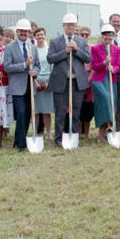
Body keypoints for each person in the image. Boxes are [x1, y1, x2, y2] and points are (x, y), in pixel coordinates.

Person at [47, 14, 92, 147]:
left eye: (73, 25)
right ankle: (59, 139)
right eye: (68, 25)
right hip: (61, 81)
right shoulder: (55, 42)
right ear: (63, 26)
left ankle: (73, 137)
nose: (71, 27)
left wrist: (77, 50)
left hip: (77, 82)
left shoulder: (82, 42)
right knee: (60, 112)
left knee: (76, 111)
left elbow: (88, 59)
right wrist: (65, 51)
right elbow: (50, 58)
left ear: (76, 26)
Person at [2, 19, 40, 153]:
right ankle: (22, 144)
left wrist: (35, 72)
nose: (23, 33)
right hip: (17, 87)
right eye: (21, 31)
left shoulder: (33, 48)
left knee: (28, 114)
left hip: (30, 86)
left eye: (26, 31)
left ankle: (18, 140)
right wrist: (24, 65)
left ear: (30, 32)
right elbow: (7, 67)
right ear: (17, 32)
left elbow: (38, 66)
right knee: (21, 113)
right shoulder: (9, 48)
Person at [91, 24, 120, 143]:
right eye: (106, 35)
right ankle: (110, 125)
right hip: (99, 80)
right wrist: (104, 63)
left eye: (110, 35)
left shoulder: (117, 49)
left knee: (105, 106)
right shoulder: (95, 48)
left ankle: (101, 135)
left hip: (111, 80)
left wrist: (113, 69)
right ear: (102, 36)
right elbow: (94, 65)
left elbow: (119, 65)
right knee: (106, 99)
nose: (108, 37)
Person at [33, 27, 55, 142]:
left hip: (48, 79)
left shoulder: (49, 49)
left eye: (42, 35)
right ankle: (36, 132)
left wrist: (49, 82)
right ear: (34, 37)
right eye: (38, 35)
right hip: (36, 79)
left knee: (47, 110)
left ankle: (48, 133)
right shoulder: (33, 50)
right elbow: (31, 67)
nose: (40, 37)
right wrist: (35, 81)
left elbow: (53, 66)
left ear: (45, 35)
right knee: (36, 110)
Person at [77, 26, 95, 137]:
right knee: (79, 107)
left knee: (89, 107)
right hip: (79, 79)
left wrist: (90, 78)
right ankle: (79, 133)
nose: (84, 36)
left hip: (90, 80)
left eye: (86, 34)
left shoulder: (93, 48)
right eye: (82, 34)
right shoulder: (76, 48)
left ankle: (87, 133)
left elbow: (95, 64)